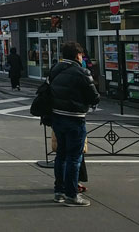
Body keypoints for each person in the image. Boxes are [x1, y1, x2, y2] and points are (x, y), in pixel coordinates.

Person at [49, 41, 99, 207]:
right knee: (74, 158)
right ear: (78, 55)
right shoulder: (82, 72)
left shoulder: (55, 70)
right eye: (81, 55)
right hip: (75, 118)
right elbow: (94, 97)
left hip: (57, 117)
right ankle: (72, 194)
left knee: (61, 155)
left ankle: (59, 191)